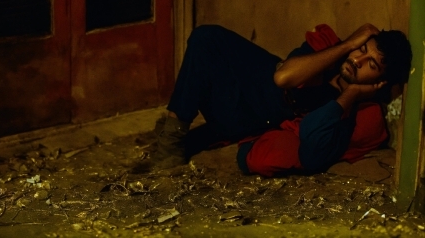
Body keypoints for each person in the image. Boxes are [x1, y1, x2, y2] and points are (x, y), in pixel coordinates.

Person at [144, 23, 412, 176]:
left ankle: (177, 139)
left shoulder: (364, 113)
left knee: (236, 117)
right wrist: (344, 46)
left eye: (371, 65)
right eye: (360, 50)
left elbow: (313, 147)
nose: (357, 60)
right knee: (206, 37)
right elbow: (283, 77)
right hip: (258, 86)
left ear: (380, 82)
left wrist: (350, 94)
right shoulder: (329, 46)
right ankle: (172, 139)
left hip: (256, 120)